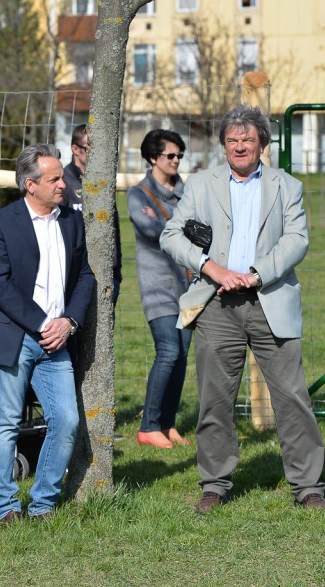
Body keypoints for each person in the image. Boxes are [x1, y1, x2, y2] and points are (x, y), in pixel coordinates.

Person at [160, 105, 325, 512]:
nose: (239, 146)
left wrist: (256, 274)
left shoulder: (287, 186)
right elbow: (171, 235)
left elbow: (297, 240)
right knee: (215, 400)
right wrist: (212, 268)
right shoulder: (200, 184)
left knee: (292, 398)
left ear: (262, 144)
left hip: (271, 301)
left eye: (247, 139)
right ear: (223, 145)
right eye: (232, 140)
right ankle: (214, 484)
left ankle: (308, 486)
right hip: (217, 304)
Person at [0, 143, 95, 522]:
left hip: (59, 340)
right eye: (54, 179)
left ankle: (43, 504)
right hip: (15, 337)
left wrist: (69, 322)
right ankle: (5, 506)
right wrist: (45, 324)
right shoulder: (0, 222)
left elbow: (85, 276)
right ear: (30, 184)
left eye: (62, 177)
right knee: (5, 422)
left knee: (67, 421)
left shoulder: (71, 220)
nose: (63, 184)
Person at [128, 129, 193, 449]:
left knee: (181, 356)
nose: (176, 160)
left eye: (179, 155)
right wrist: (186, 228)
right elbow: (149, 228)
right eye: (170, 155)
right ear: (153, 158)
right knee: (168, 351)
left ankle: (168, 423)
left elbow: (203, 228)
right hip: (157, 286)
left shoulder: (187, 193)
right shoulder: (138, 194)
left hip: (189, 286)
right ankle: (149, 426)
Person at [62, 124, 122, 303]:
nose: (97, 154)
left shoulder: (104, 182)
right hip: (76, 275)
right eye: (90, 148)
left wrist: (116, 271)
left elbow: (114, 227)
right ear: (75, 149)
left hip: (108, 274)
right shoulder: (63, 183)